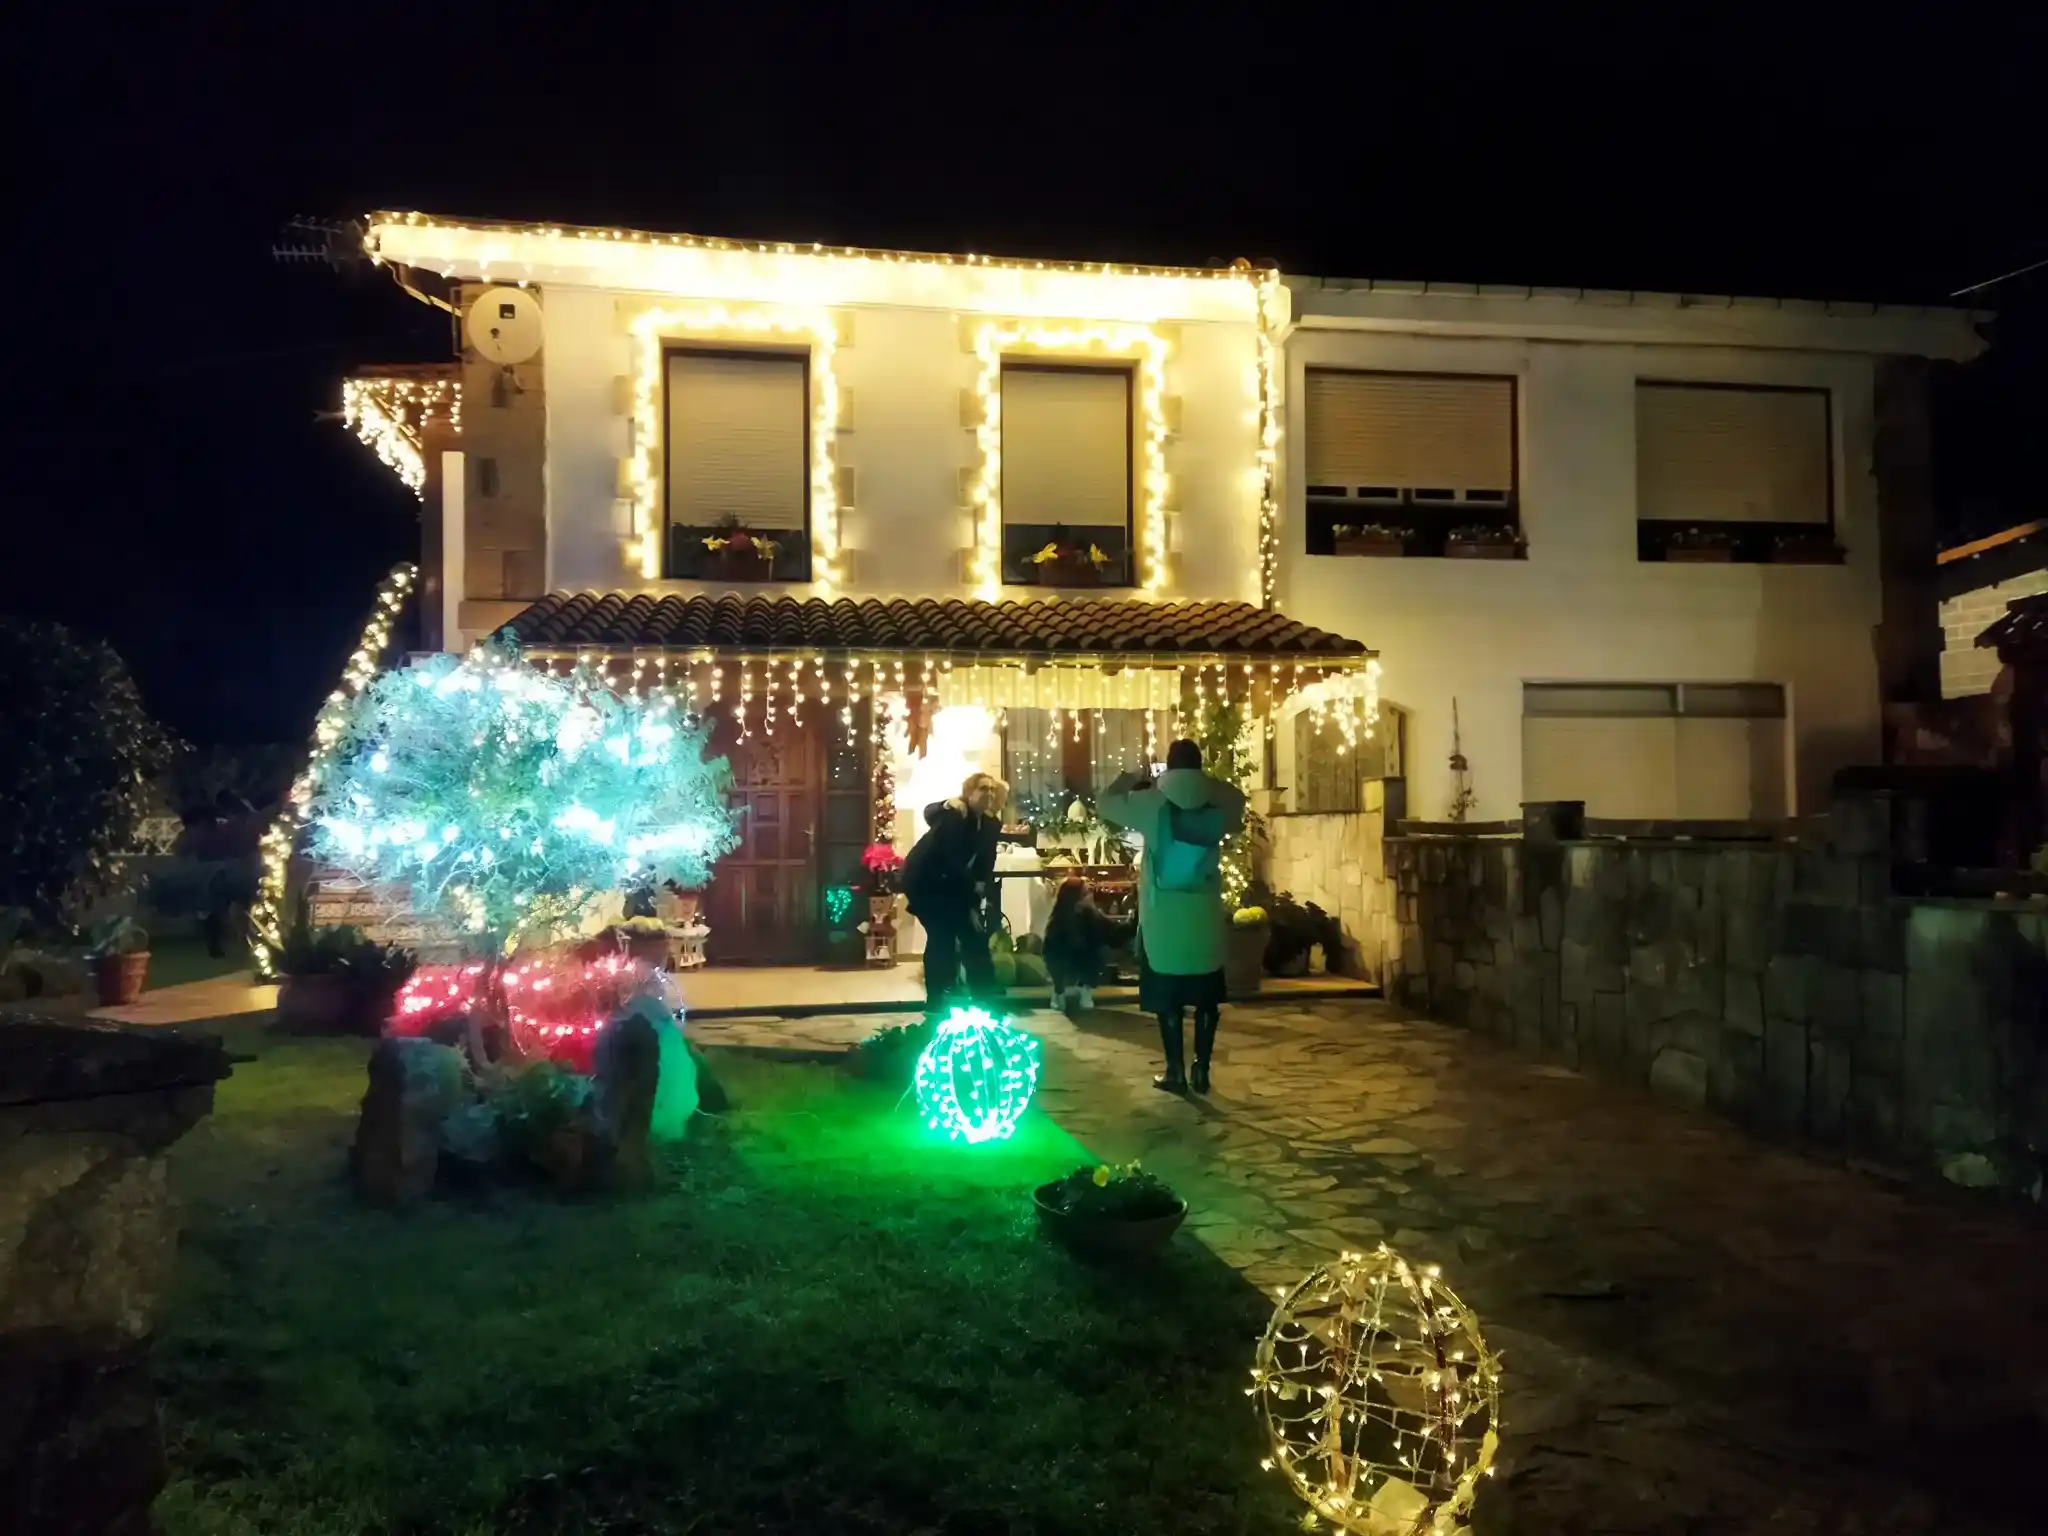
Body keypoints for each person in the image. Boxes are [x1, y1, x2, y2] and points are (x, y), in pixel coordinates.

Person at [1099, 739, 1246, 1094]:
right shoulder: (1219, 801)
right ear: (1198, 765)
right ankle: (1202, 1070)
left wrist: (1130, 776)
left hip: (1162, 918)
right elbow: (1238, 800)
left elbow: (1105, 803)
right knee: (1207, 997)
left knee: (1168, 999)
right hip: (1203, 914)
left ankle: (1175, 1071)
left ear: (1168, 765)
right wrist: (1205, 782)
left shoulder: (1151, 802)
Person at [900, 771, 1009, 1019]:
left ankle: (984, 993)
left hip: (954, 885)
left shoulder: (991, 825)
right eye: (982, 788)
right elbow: (948, 856)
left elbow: (985, 863)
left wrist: (978, 893)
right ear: (969, 793)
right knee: (941, 937)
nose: (989, 794)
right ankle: (936, 999)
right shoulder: (955, 814)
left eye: (992, 789)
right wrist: (945, 803)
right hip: (926, 884)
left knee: (974, 936)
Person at [1042, 877, 1135, 1018]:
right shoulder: (1059, 920)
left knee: (1094, 951)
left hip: (1083, 960)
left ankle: (1083, 988)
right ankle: (1059, 991)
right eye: (1085, 893)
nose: (1090, 896)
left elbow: (1112, 931)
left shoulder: (1090, 915)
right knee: (1059, 956)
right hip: (1062, 961)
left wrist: (1131, 922)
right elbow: (1050, 950)